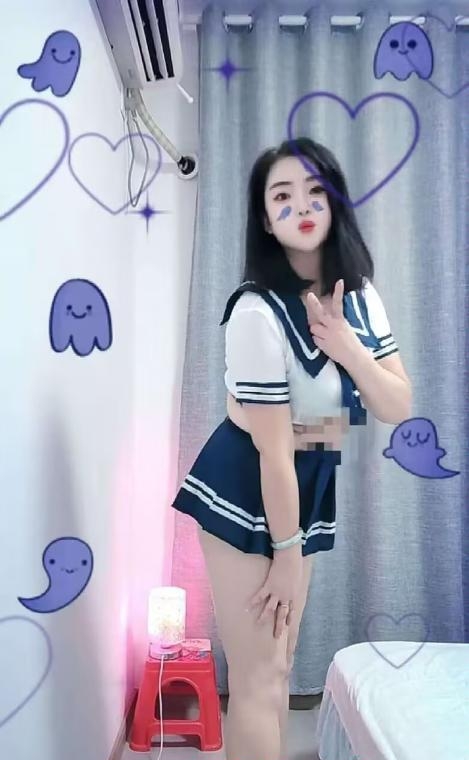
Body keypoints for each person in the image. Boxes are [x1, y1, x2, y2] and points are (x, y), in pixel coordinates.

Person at [171, 137, 412, 760]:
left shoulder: (361, 299)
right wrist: (285, 552)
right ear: (265, 219)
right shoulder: (256, 310)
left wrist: (348, 349)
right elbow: (273, 450)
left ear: (334, 202)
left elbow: (396, 404)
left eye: (313, 191)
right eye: (282, 195)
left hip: (309, 480)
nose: (300, 205)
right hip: (248, 482)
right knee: (259, 676)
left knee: (280, 665)